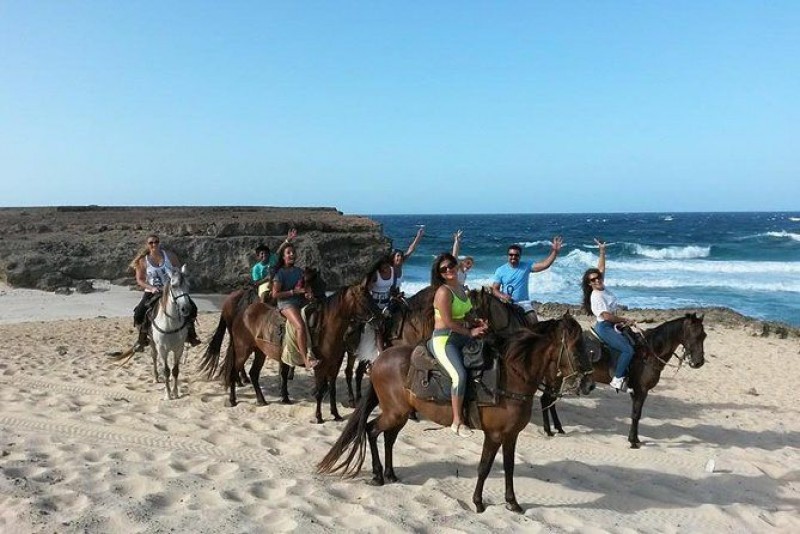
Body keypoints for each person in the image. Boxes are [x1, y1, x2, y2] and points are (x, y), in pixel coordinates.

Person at [430, 252, 489, 437]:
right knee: (459, 375)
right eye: (444, 269)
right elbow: (448, 322)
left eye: (451, 266)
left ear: (457, 266)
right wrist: (470, 331)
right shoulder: (443, 292)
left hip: (461, 336)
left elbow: (467, 314)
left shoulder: (462, 289)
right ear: (440, 274)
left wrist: (478, 322)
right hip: (444, 339)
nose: (449, 270)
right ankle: (457, 421)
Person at [131, 234, 202, 351]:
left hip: (171, 290)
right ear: (147, 245)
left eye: (156, 242)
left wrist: (177, 282)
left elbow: (179, 273)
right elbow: (140, 279)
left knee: (192, 307)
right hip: (153, 291)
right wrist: (151, 288)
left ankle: (191, 335)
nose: (154, 244)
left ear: (159, 243)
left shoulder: (170, 256)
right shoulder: (143, 261)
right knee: (139, 313)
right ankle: (142, 339)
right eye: (151, 243)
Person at [581, 239, 635, 392]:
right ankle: (617, 379)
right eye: (593, 279)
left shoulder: (601, 285)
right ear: (589, 284)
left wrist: (602, 251)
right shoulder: (596, 296)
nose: (597, 279)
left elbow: (601, 268)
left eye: (598, 277)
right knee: (627, 350)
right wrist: (626, 320)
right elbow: (606, 316)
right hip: (604, 327)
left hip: (612, 325)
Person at [271, 243, 318, 369]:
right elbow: (275, 294)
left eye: (293, 252)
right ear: (283, 256)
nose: (292, 254)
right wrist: (293, 292)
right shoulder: (280, 273)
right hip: (286, 304)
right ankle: (305, 359)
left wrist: (308, 295)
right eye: (288, 253)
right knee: (300, 326)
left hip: (300, 301)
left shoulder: (299, 271)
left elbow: (304, 288)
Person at [491, 237, 563, 318]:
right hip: (506, 303)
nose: (513, 257)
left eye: (516, 255)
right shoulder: (500, 270)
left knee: (533, 319)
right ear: (507, 256)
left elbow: (544, 265)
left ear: (520, 256)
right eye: (511, 255)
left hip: (523, 303)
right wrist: (503, 296)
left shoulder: (526, 266)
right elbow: (495, 289)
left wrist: (555, 252)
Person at [251, 229, 297, 302]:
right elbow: (256, 283)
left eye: (266, 253)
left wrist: (288, 239)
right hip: (265, 284)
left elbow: (280, 249)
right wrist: (267, 278)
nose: (264, 255)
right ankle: (262, 308)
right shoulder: (256, 268)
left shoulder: (273, 259)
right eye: (262, 254)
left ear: (269, 254)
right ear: (258, 256)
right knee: (264, 295)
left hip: (278, 280)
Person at [391, 225, 425, 293]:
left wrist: (418, 237)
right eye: (397, 256)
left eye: (400, 256)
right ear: (393, 258)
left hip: (396, 295)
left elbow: (411, 250)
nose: (399, 258)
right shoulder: (390, 267)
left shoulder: (400, 265)